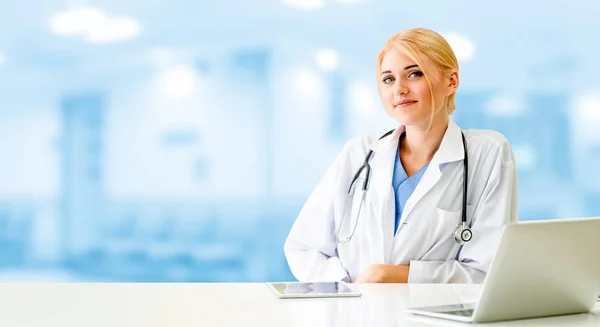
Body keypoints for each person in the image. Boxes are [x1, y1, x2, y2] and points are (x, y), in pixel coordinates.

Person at [283, 27, 518, 284]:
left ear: (451, 81)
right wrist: (347, 291)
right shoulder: (360, 152)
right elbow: (304, 247)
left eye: (414, 74)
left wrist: (392, 276)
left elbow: (486, 272)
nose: (399, 89)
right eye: (388, 79)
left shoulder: (487, 153)